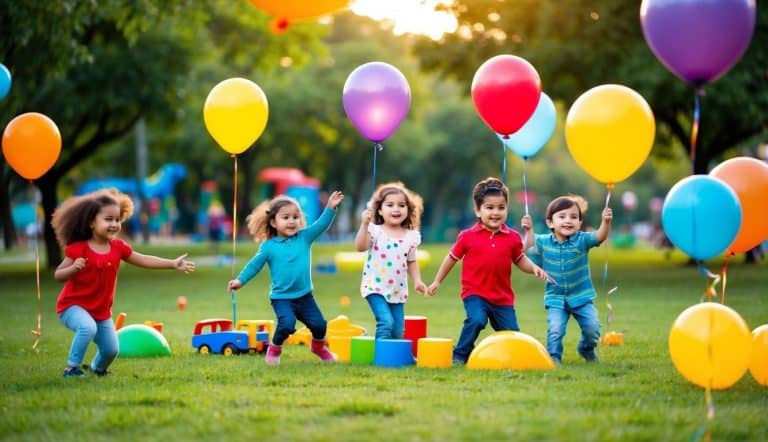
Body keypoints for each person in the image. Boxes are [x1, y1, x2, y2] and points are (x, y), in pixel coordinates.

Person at [52, 188, 196, 378]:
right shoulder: (79, 249)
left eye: (117, 219)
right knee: (87, 328)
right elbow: (58, 275)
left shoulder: (118, 247)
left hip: (101, 311)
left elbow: (143, 259)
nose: (114, 224)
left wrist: (172, 264)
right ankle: (71, 368)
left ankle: (98, 369)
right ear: (91, 222)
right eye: (108, 219)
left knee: (111, 349)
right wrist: (73, 269)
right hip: (72, 306)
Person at [427, 177, 549, 365]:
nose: (495, 212)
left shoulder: (513, 237)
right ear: (478, 210)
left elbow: (519, 259)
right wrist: (437, 281)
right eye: (489, 208)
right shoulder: (467, 236)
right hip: (475, 293)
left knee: (511, 333)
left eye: (501, 207)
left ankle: (509, 359)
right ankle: (460, 354)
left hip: (502, 298)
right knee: (476, 320)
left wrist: (534, 268)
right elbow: (451, 259)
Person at [228, 191, 345, 366]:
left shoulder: (304, 237)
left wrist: (329, 208)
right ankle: (274, 349)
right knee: (286, 325)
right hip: (282, 298)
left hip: (305, 297)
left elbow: (322, 225)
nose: (291, 221)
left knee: (320, 325)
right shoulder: (268, 246)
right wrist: (240, 280)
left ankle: (318, 348)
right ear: (274, 222)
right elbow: (254, 265)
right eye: (286, 217)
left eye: (295, 217)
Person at [521, 194, 613, 365]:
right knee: (555, 330)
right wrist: (528, 230)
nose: (568, 221)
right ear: (550, 223)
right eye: (561, 217)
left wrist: (605, 222)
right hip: (556, 298)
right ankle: (554, 357)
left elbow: (600, 236)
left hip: (582, 297)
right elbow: (526, 245)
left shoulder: (582, 240)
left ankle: (586, 348)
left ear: (579, 222)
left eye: (573, 217)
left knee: (592, 329)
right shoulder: (543, 241)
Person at [354, 182, 427, 340]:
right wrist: (365, 224)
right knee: (386, 322)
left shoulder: (411, 236)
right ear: (379, 210)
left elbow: (412, 261)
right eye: (390, 205)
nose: (396, 209)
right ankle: (381, 357)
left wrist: (417, 281)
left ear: (408, 210)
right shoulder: (375, 231)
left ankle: (393, 359)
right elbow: (360, 247)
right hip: (375, 287)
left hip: (397, 290)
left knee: (398, 330)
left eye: (401, 205)